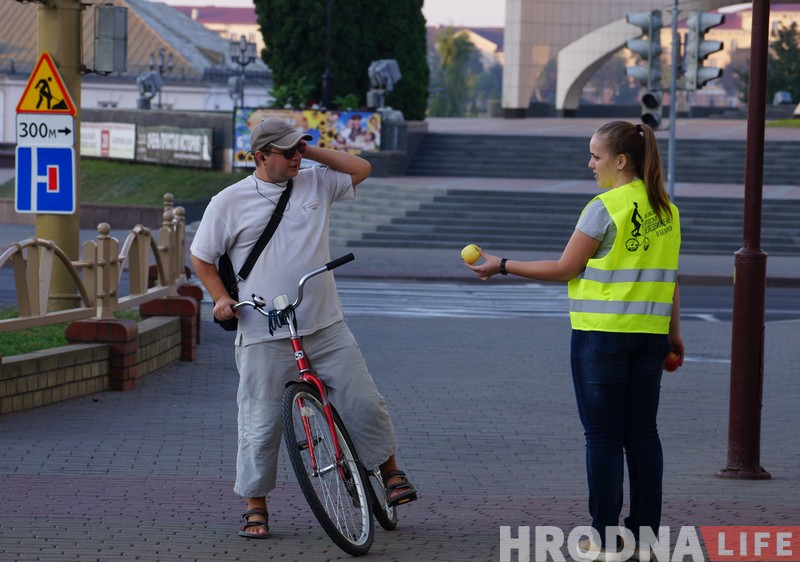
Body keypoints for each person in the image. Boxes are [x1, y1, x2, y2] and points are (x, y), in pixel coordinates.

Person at [190, 118, 418, 540]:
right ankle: (255, 505)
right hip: (261, 330)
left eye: (300, 149)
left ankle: (390, 473)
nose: (296, 156)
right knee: (259, 422)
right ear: (260, 157)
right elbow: (202, 256)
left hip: (324, 322)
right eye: (286, 151)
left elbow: (360, 168)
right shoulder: (229, 201)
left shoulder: (316, 182)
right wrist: (221, 298)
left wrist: (304, 151)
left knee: (364, 401)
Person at [466, 121, 683, 560]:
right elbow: (671, 281)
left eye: (596, 157)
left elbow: (566, 269)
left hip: (602, 338)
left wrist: (502, 264)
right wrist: (674, 337)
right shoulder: (667, 210)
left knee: (602, 437)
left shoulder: (604, 207)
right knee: (642, 435)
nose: (590, 164)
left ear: (621, 161)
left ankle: (603, 537)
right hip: (649, 339)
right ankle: (643, 535)